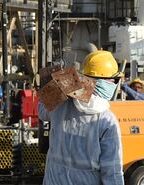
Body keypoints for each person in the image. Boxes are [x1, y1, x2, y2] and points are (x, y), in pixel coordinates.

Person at [38, 50, 124, 185]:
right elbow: (112, 172)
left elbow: (42, 112)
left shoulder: (62, 104)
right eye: (115, 80)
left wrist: (56, 87)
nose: (115, 84)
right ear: (106, 82)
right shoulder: (106, 120)